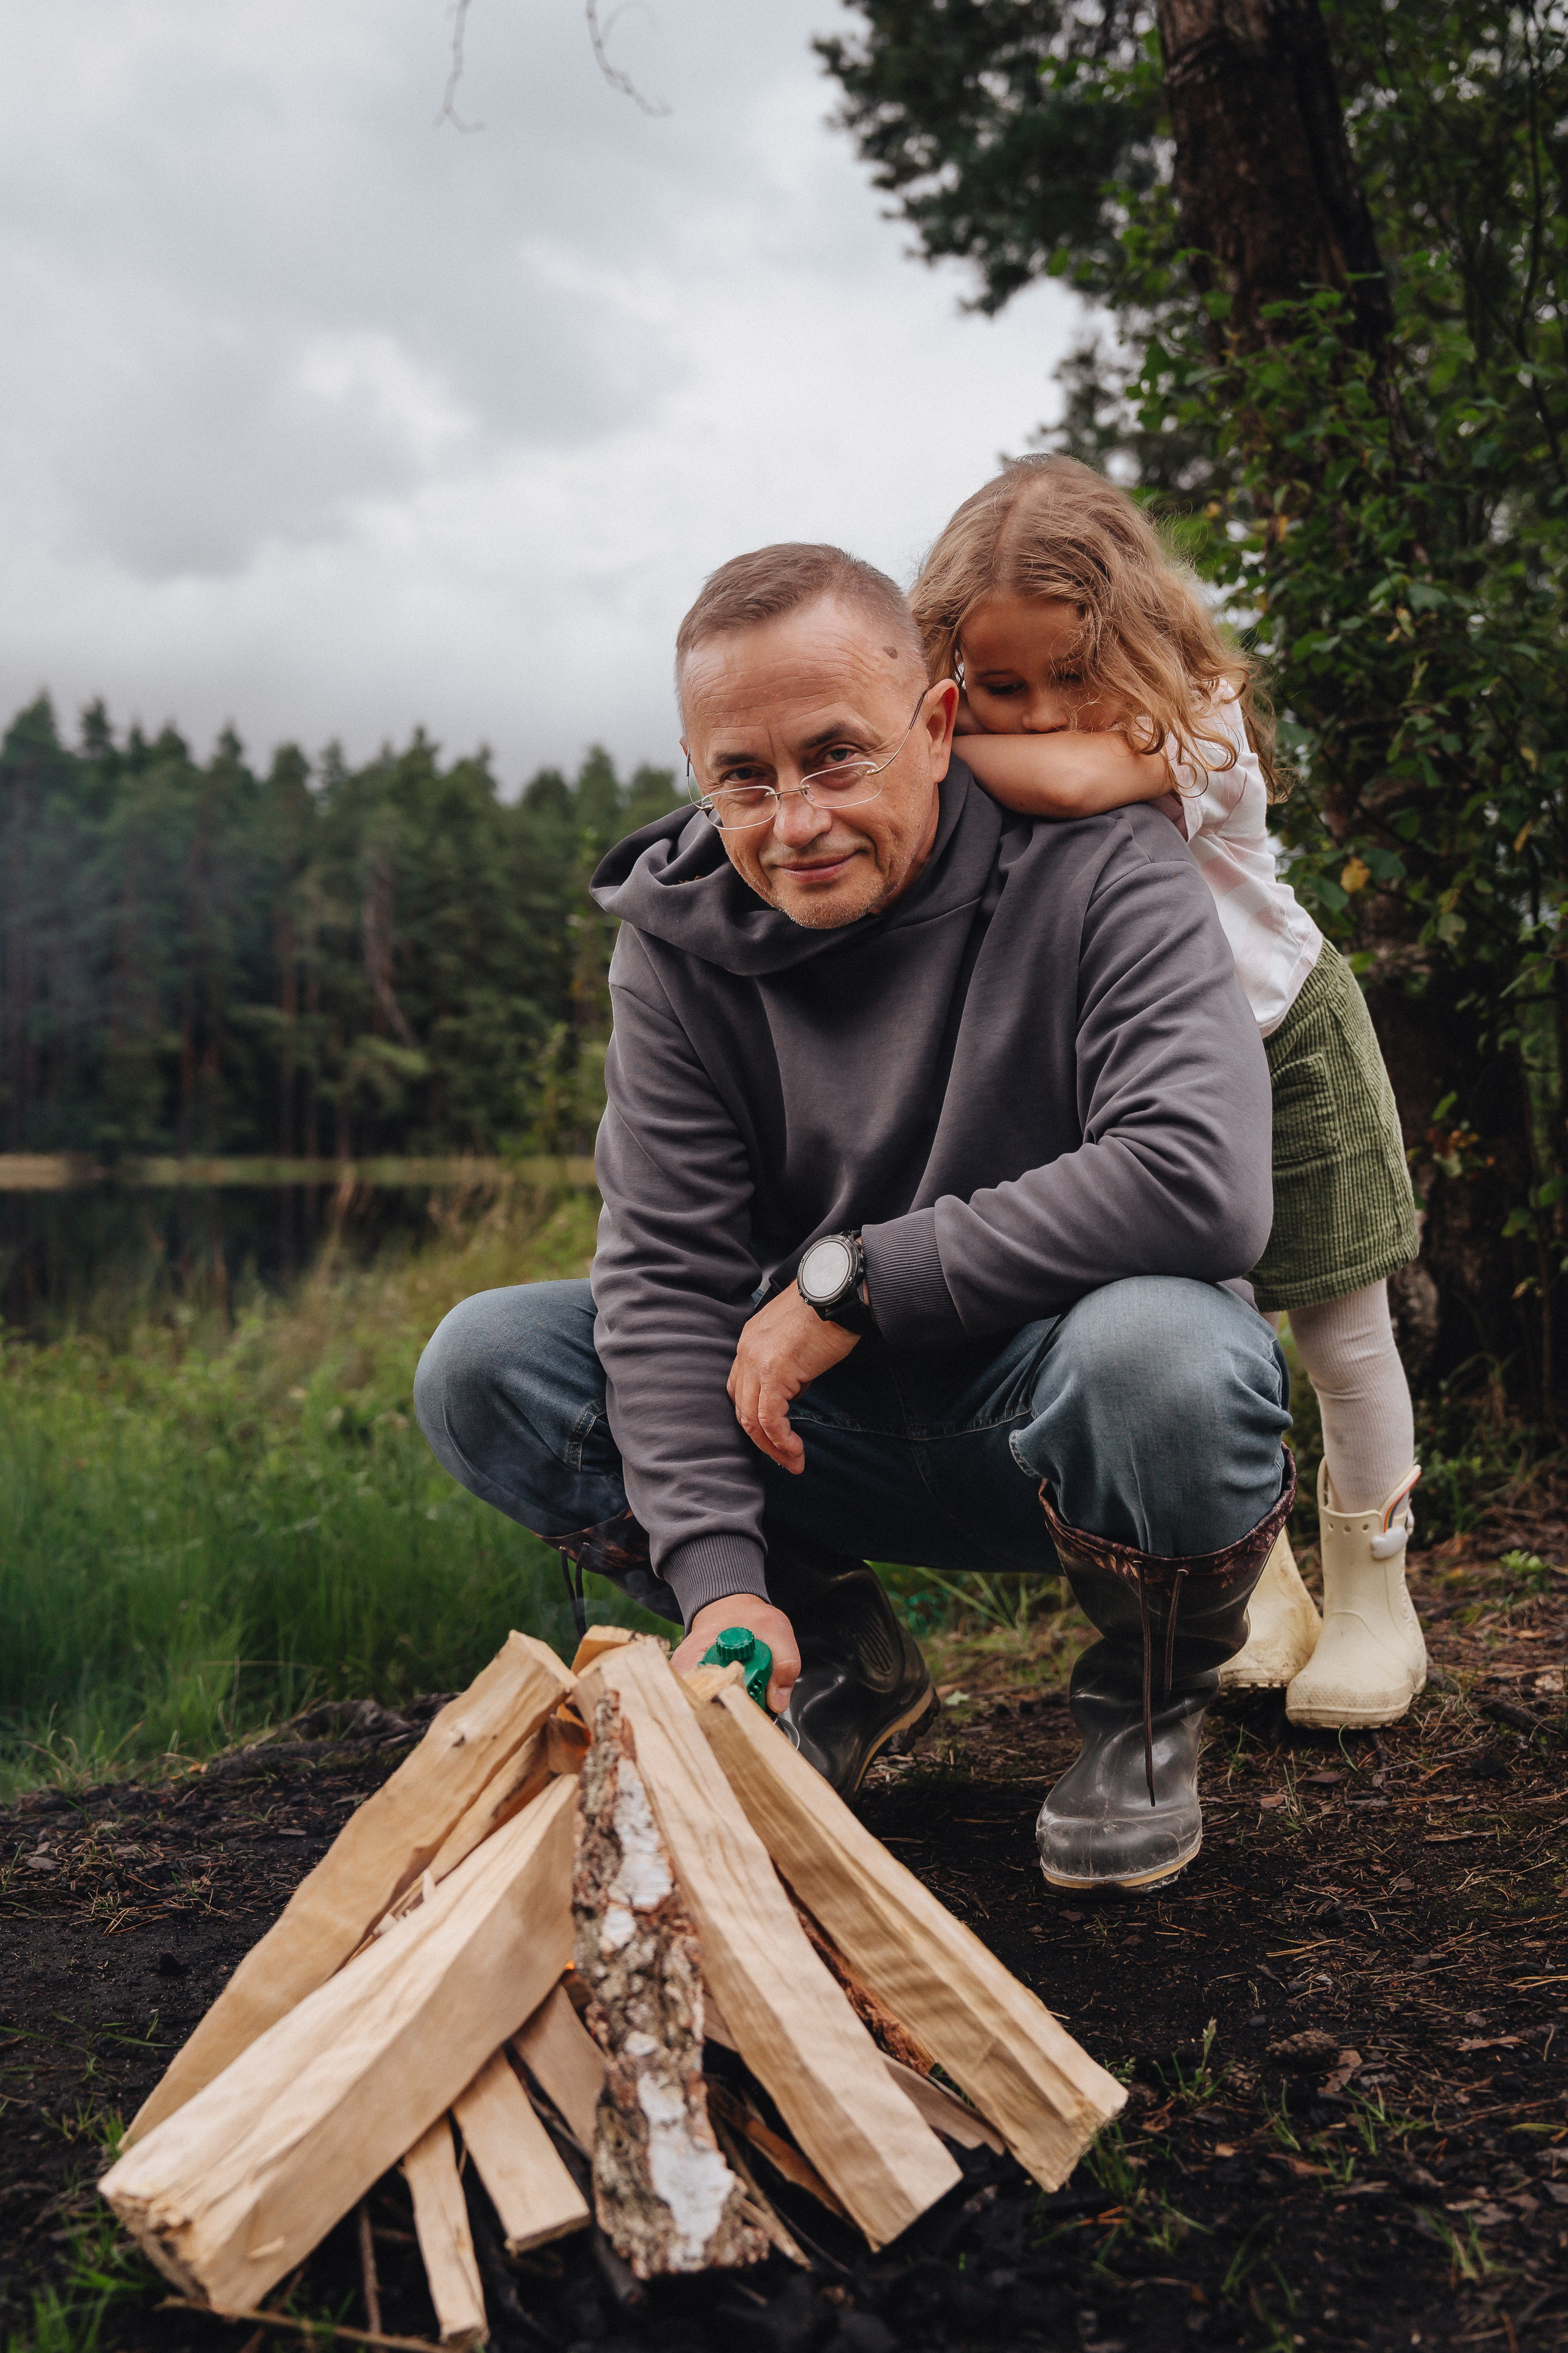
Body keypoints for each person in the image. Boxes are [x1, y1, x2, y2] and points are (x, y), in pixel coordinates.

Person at [415, 541, 1295, 1894]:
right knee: (487, 1365)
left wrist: (856, 1282)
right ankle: (832, 1656)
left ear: (935, 727)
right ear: (698, 774)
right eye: (743, 779)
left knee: (1170, 1358)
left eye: (836, 758)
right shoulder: (676, 943)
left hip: (1056, 1409)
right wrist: (715, 1576)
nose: (795, 821)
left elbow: (1197, 1177)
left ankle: (1141, 1705)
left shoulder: (1107, 868)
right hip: (817, 1434)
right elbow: (661, 1279)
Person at [911, 456, 1425, 1731]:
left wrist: (926, 736)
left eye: (1066, 673)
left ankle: (1376, 1605)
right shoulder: (991, 758)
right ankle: (1262, 1587)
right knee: (1215, 1331)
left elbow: (1081, 781)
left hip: (1281, 1045)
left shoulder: (1194, 719)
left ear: (1132, 631)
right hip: (1140, 1087)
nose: (1035, 715)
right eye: (999, 684)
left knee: (1340, 1337)